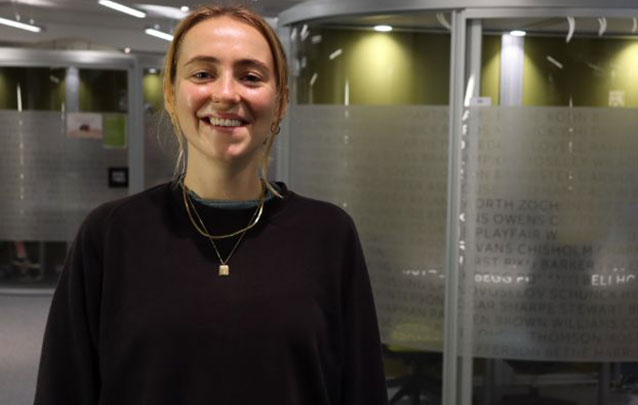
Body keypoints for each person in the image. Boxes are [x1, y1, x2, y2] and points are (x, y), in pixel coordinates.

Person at [34, 5, 388, 405]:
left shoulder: (328, 234)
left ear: (281, 101)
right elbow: (63, 390)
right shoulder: (112, 234)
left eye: (250, 76)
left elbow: (362, 389)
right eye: (203, 74)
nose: (225, 94)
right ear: (170, 94)